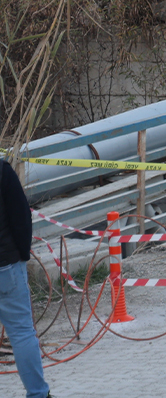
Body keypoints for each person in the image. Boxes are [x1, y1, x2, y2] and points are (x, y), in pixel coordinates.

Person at [0, 159, 52, 398]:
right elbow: (21, 216)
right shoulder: (2, 171)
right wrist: (22, 254)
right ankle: (38, 394)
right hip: (6, 267)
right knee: (21, 334)